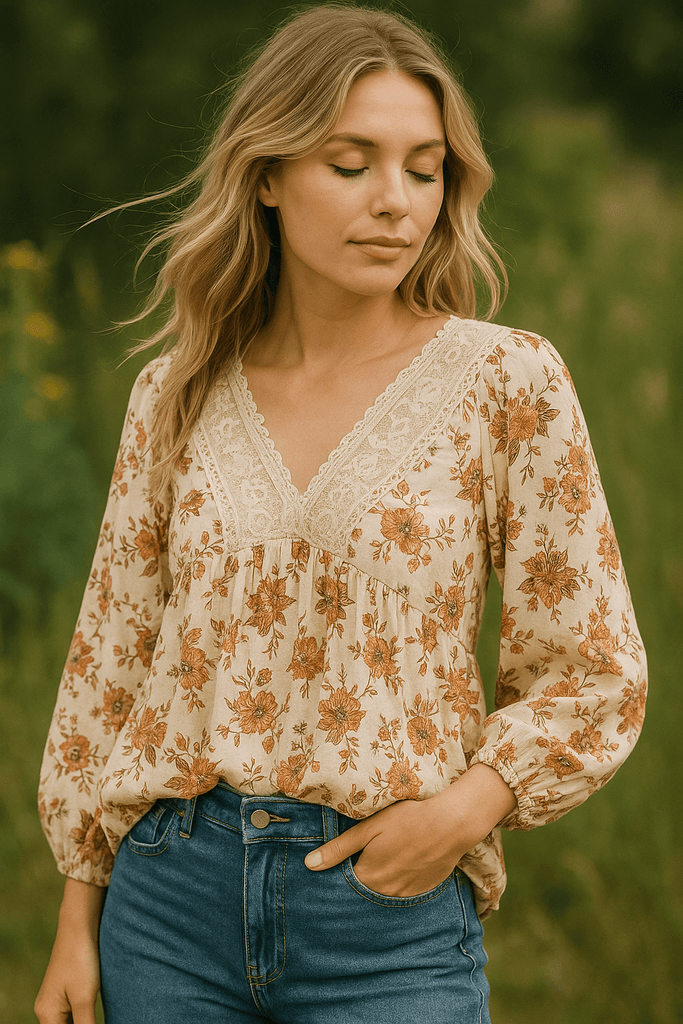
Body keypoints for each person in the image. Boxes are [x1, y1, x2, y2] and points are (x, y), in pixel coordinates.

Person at [34, 5, 647, 1023]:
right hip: (167, 908)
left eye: (424, 169)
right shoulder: (175, 391)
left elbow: (593, 667)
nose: (394, 202)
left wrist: (460, 814)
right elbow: (113, 657)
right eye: (350, 163)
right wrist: (75, 918)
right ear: (267, 175)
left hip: (386, 923)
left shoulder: (505, 381)